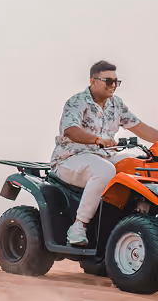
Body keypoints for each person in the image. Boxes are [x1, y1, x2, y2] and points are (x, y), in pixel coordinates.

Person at [51, 60, 158, 247]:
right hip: (70, 159)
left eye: (116, 82)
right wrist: (97, 140)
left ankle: (136, 217)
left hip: (103, 157)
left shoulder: (116, 105)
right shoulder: (77, 102)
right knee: (105, 171)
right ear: (94, 81)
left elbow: (140, 128)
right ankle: (79, 226)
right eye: (109, 81)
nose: (114, 86)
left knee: (137, 165)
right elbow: (70, 130)